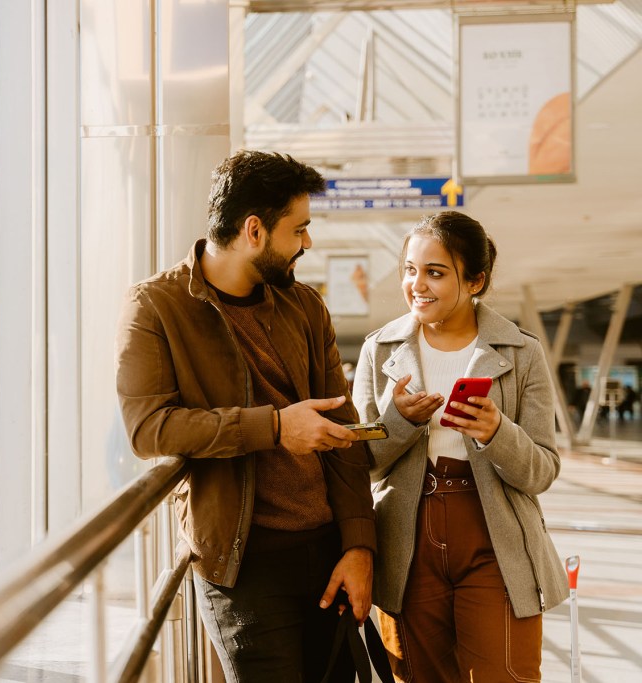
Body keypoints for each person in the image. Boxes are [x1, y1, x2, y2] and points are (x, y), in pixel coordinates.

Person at [115, 150, 376, 682]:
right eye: (298, 230)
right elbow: (148, 430)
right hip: (242, 565)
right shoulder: (155, 307)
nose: (308, 243)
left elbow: (343, 429)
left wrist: (358, 545)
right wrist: (276, 427)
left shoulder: (305, 306)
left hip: (328, 552)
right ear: (254, 230)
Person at [352, 211, 568, 682]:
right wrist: (399, 422)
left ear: (475, 281)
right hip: (406, 539)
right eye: (410, 269)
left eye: (435, 272)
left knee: (506, 673)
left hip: (496, 534)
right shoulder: (380, 349)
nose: (417, 285)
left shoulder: (520, 351)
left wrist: (496, 432)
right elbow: (359, 463)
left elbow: (543, 471)